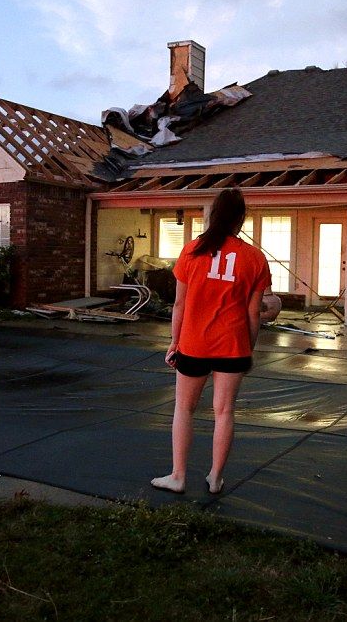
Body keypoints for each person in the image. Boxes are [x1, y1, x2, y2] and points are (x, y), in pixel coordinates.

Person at [151, 188, 271, 494]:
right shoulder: (255, 258)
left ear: (212, 215)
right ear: (241, 218)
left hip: (193, 344)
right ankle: (215, 478)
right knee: (224, 412)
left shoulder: (192, 250)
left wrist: (173, 342)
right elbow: (254, 314)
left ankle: (178, 476)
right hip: (233, 346)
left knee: (183, 409)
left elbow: (178, 304)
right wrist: (249, 349)